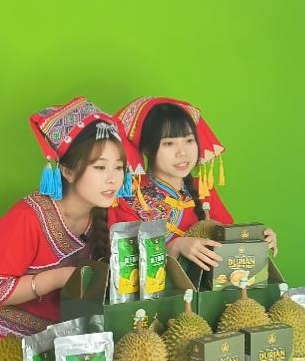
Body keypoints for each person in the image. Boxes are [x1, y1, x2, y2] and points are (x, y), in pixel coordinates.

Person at [0, 98, 128, 361]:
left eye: (119, 167)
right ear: (67, 171)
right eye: (100, 167)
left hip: (54, 348)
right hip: (1, 348)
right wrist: (59, 277)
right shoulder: (27, 218)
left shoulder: (107, 214)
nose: (113, 179)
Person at [114, 97, 276, 273]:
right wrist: (174, 248)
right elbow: (124, 270)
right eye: (169, 143)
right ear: (146, 148)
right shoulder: (127, 197)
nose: (182, 152)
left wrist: (256, 240)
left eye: (189, 140)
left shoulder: (203, 189)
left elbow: (228, 246)